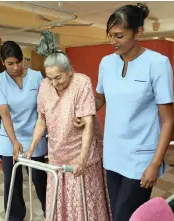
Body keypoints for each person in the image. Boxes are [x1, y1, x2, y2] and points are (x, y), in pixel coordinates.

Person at [75, 3, 174, 221]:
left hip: (140, 160)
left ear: (138, 32)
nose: (113, 42)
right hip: (112, 156)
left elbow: (168, 120)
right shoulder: (106, 63)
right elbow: (100, 98)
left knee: (125, 217)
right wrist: (83, 112)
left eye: (119, 35)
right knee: (117, 215)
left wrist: (155, 164)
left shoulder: (157, 64)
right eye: (110, 35)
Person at [24, 50, 111, 221]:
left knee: (83, 205)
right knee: (60, 202)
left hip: (80, 155)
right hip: (57, 155)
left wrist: (82, 158)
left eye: (58, 77)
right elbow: (41, 120)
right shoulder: (45, 86)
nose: (54, 83)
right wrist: (31, 149)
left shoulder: (81, 83)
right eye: (50, 78)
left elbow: (88, 122)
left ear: (69, 71)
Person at [0, 41, 47, 221]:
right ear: (3, 62)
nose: (16, 67)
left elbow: (44, 108)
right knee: (12, 181)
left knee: (40, 179)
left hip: (34, 137)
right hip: (10, 137)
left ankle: (51, 210)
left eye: (19, 61)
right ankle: (15, 216)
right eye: (10, 63)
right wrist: (14, 141)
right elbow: (5, 115)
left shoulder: (37, 76)